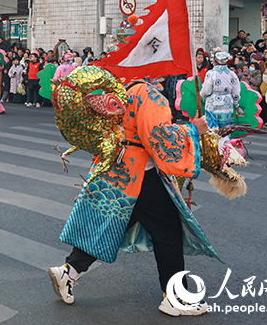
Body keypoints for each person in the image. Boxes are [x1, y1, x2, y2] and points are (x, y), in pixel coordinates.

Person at [48, 76, 214, 317]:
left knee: (115, 224)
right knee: (167, 232)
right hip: (140, 173)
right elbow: (157, 137)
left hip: (116, 168)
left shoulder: (123, 87)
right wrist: (193, 130)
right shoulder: (149, 94)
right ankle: (176, 298)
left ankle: (69, 271)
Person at [200, 49, 239, 130]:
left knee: (212, 130)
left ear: (215, 62)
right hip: (227, 103)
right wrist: (236, 103)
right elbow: (236, 92)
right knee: (225, 130)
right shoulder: (232, 74)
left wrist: (202, 96)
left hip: (212, 102)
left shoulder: (211, 73)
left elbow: (206, 91)